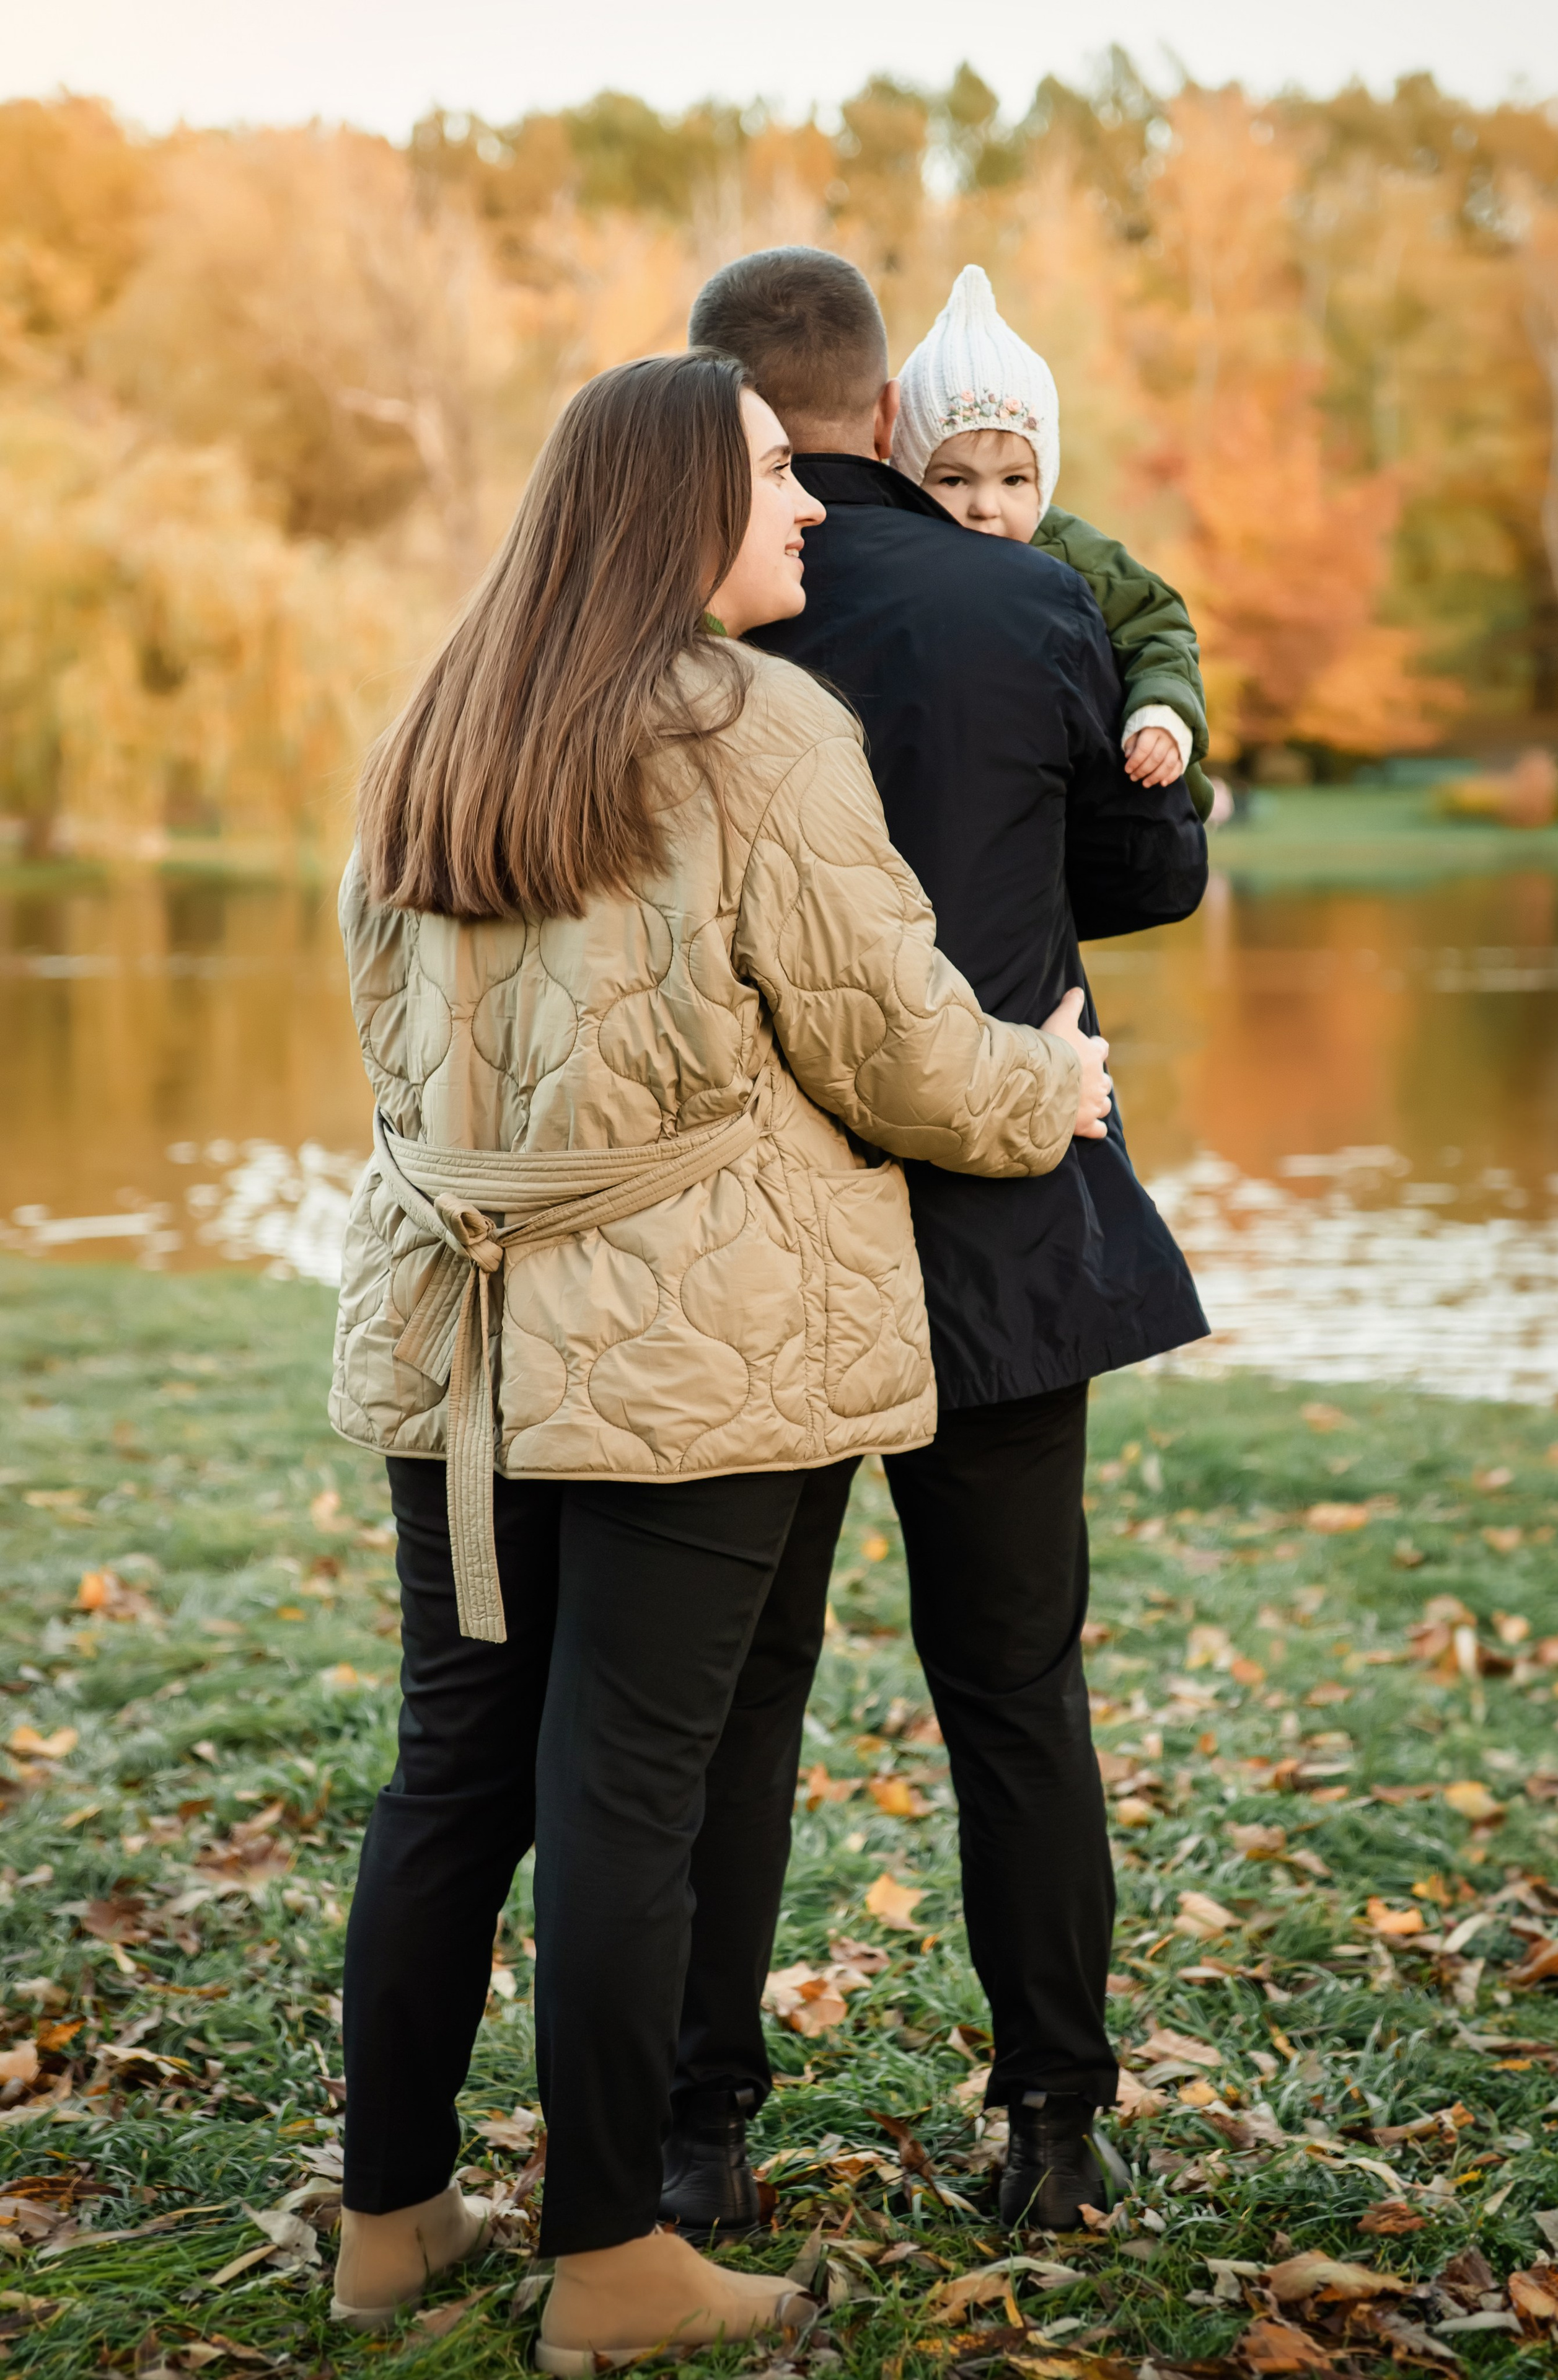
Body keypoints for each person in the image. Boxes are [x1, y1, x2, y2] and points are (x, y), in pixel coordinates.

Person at [324, 349, 1112, 2363]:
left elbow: (392, 1034)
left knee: (451, 1781)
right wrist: (1055, 1091)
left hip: (458, 1330)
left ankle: (392, 2219)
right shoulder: (756, 728)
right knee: (626, 1794)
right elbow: (898, 1041)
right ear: (679, 503)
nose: (815, 506)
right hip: (694, 1359)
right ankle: (611, 2259)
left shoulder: (442, 712)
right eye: (775, 474)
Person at [661, 249, 1208, 2237]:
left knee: (738, 1693)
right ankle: (1054, 2125)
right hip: (1004, 1218)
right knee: (1015, 1689)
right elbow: (1145, 874)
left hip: (757, 1238)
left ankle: (698, 2135)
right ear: (889, 409)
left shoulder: (674, 628)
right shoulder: (1029, 590)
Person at [891, 262, 1216, 821]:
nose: (986, 506)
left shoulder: (1071, 552)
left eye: (1014, 480)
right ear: (910, 475)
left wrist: (1162, 713)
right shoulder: (898, 562)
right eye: (953, 480)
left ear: (1043, 478)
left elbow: (1157, 624)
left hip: (1080, 806)